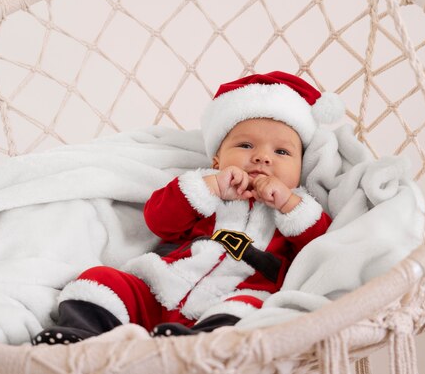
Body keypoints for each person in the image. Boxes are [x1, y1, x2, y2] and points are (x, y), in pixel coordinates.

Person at [32, 71, 344, 345]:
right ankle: (79, 338)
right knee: (101, 280)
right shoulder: (206, 190)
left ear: (301, 168)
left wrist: (288, 204)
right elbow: (159, 220)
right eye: (246, 146)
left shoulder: (297, 209)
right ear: (217, 160)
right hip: (162, 287)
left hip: (231, 300)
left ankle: (191, 350)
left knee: (247, 315)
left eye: (281, 151)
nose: (263, 157)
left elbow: (320, 249)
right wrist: (209, 188)